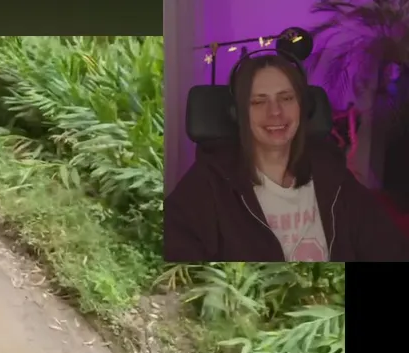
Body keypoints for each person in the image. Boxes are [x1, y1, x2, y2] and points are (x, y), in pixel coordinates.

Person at [165, 54, 408, 261]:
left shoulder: (333, 175)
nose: (275, 112)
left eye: (286, 98)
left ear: (304, 108)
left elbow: (389, 247)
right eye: (259, 101)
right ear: (238, 115)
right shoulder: (207, 185)